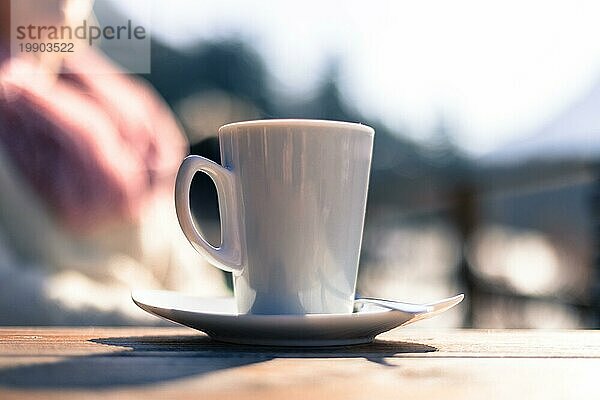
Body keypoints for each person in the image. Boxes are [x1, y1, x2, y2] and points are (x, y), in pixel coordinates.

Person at [0, 0, 227, 324]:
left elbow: (191, 274)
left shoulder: (130, 116)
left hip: (170, 360)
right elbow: (7, 295)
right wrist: (163, 319)